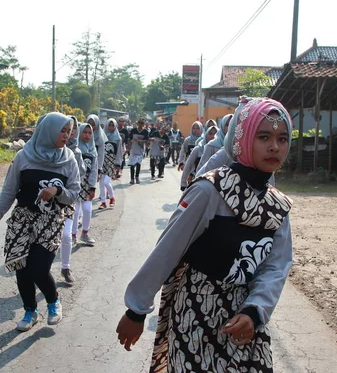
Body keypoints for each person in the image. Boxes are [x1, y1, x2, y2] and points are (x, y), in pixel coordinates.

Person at [116, 98, 294, 373]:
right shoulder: (209, 191)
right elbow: (168, 250)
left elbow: (276, 265)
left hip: (243, 321)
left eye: (282, 139)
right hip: (197, 313)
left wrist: (254, 310)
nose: (274, 146)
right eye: (263, 137)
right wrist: (136, 310)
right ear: (242, 138)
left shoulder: (277, 205)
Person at [0, 112, 80, 332]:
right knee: (21, 267)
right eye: (62, 131)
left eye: (68, 131)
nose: (66, 135)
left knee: (39, 268)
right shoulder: (23, 156)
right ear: (48, 131)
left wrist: (57, 191)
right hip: (22, 219)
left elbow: (74, 193)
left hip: (50, 220)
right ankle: (30, 311)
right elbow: (9, 190)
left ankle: (53, 302)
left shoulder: (69, 159)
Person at [60, 116, 86, 285]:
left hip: (67, 200)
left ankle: (65, 267)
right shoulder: (47, 150)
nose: (70, 132)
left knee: (66, 235)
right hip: (47, 203)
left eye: (73, 128)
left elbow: (81, 172)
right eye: (65, 129)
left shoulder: (76, 153)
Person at [71, 123, 98, 246]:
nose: (87, 135)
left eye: (89, 133)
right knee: (76, 211)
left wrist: (92, 187)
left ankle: (85, 234)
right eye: (85, 132)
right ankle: (73, 235)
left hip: (87, 185)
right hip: (76, 183)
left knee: (87, 209)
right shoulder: (75, 149)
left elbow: (94, 170)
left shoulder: (93, 150)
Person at [180, 125, 217, 191]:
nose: (213, 136)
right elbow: (188, 165)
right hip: (197, 179)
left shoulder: (221, 149)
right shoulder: (198, 149)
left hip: (215, 183)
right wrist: (183, 181)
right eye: (210, 134)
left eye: (215, 134)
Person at [99, 118, 123, 209]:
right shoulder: (102, 136)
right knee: (101, 182)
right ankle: (103, 202)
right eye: (109, 125)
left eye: (113, 125)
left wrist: (118, 164)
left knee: (106, 181)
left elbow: (119, 152)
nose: (111, 127)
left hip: (111, 161)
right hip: (102, 160)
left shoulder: (118, 138)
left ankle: (112, 197)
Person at [86, 114, 107, 182]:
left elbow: (101, 155)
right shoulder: (83, 135)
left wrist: (98, 170)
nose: (91, 126)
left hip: (94, 167)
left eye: (93, 124)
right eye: (89, 124)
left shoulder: (100, 138)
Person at [128, 118, 149, 184]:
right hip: (133, 149)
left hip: (140, 150)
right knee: (132, 164)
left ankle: (137, 177)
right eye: (139, 123)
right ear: (137, 123)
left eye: (142, 123)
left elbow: (146, 140)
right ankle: (132, 178)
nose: (140, 124)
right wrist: (128, 147)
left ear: (144, 124)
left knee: (138, 164)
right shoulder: (133, 130)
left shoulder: (145, 132)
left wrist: (139, 141)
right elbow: (129, 138)